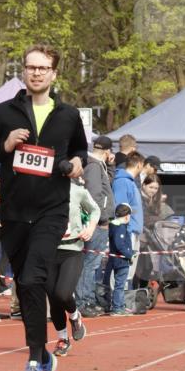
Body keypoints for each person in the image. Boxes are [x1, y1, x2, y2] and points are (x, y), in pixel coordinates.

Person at [0, 43, 88, 371]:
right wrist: (4, 146)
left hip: (52, 211)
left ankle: (35, 360)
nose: (36, 73)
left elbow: (80, 151)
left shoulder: (68, 115)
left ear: (54, 74)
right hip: (14, 213)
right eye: (31, 67)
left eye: (43, 68)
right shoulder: (3, 113)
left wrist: (77, 164)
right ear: (23, 71)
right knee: (25, 283)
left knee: (34, 278)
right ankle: (44, 356)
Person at [50, 179, 99, 356]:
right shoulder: (40, 191)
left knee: (62, 294)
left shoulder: (77, 191)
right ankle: (62, 339)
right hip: (48, 250)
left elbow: (95, 210)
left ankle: (74, 315)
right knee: (53, 297)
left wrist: (90, 229)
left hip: (72, 249)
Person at [77, 135, 115, 316]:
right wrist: (102, 218)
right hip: (97, 224)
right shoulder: (93, 166)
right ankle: (84, 302)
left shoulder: (97, 165)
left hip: (98, 222)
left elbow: (106, 186)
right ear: (107, 151)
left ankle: (88, 300)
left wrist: (111, 166)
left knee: (92, 264)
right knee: (90, 264)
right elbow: (94, 196)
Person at [112, 151, 144, 286]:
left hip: (132, 230)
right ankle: (116, 296)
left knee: (128, 272)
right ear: (139, 165)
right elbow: (121, 209)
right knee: (122, 270)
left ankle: (123, 295)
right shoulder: (122, 182)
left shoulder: (129, 182)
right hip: (127, 231)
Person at [104, 203, 136, 316]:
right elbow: (119, 245)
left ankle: (121, 306)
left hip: (116, 259)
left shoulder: (114, 225)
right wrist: (129, 255)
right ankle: (117, 308)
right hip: (121, 260)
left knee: (120, 284)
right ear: (127, 216)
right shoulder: (120, 227)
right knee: (120, 285)